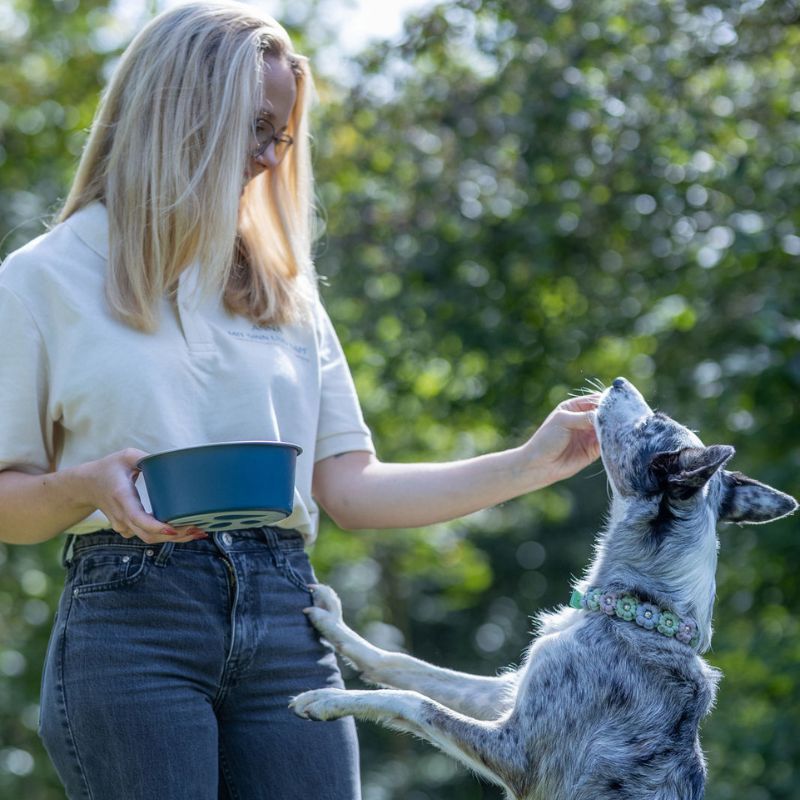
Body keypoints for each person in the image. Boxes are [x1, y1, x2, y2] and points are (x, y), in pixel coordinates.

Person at [0, 2, 600, 798]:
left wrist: (532, 464)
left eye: (280, 136)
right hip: (132, 624)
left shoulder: (282, 293)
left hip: (289, 618)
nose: (267, 157)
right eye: (254, 128)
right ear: (180, 114)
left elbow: (351, 488)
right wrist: (83, 486)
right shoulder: (42, 279)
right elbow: (10, 507)